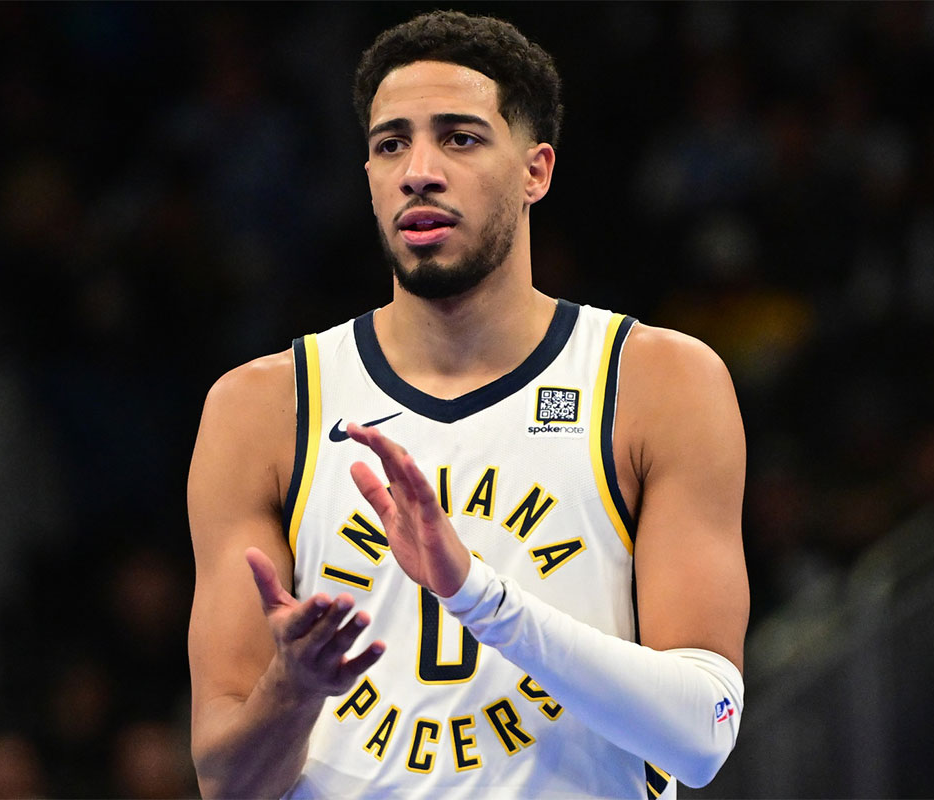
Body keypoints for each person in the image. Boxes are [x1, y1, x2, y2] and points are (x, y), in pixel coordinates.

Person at [187, 10, 749, 799]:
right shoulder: (260, 407)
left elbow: (702, 737)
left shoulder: (657, 382)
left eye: (459, 137)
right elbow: (227, 784)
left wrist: (476, 595)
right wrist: (296, 685)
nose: (419, 170)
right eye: (391, 144)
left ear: (536, 171)